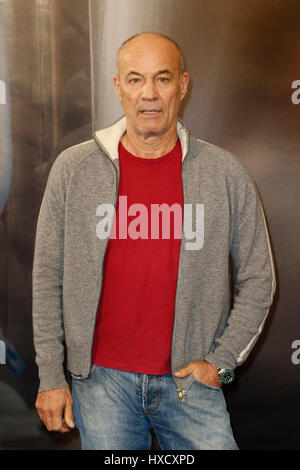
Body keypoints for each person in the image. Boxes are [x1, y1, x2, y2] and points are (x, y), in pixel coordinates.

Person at [32, 32, 276, 450]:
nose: (149, 94)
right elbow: (47, 277)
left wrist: (222, 364)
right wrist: (52, 375)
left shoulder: (223, 173)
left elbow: (259, 278)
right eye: (135, 79)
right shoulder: (73, 169)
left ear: (183, 85)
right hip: (100, 385)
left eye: (162, 79)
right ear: (117, 86)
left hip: (190, 386)